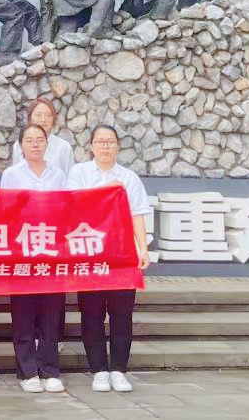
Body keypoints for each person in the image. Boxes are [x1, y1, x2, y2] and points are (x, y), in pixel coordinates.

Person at [66, 125, 152, 394]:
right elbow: (74, 204)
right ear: (91, 146)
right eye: (100, 141)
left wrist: (143, 248)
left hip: (121, 254)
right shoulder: (79, 173)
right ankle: (99, 370)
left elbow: (137, 214)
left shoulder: (129, 177)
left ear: (118, 146)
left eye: (110, 142)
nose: (105, 146)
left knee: (121, 314)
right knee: (91, 313)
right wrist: (108, 190)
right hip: (89, 253)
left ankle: (118, 369)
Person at [1, 124, 68, 394]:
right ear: (21, 145)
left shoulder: (58, 174)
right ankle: (27, 371)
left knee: (50, 314)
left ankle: (50, 370)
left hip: (51, 252)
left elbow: (65, 209)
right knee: (24, 314)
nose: (35, 145)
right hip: (22, 252)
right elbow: (4, 212)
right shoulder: (11, 175)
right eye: (29, 140)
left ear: (47, 144)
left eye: (40, 140)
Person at [12, 99, 75, 174]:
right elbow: (15, 175)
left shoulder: (64, 147)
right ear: (30, 118)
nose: (43, 119)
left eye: (48, 115)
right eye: (38, 115)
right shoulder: (19, 145)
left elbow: (69, 177)